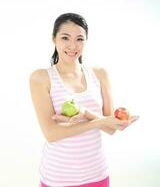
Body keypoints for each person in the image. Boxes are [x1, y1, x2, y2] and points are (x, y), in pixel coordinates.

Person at [29, 13, 139, 187]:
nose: (73, 45)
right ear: (54, 39)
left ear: (86, 41)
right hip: (58, 178)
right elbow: (51, 134)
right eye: (65, 37)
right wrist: (94, 122)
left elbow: (110, 128)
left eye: (80, 39)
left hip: (97, 175)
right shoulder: (41, 78)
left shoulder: (100, 74)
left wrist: (86, 113)